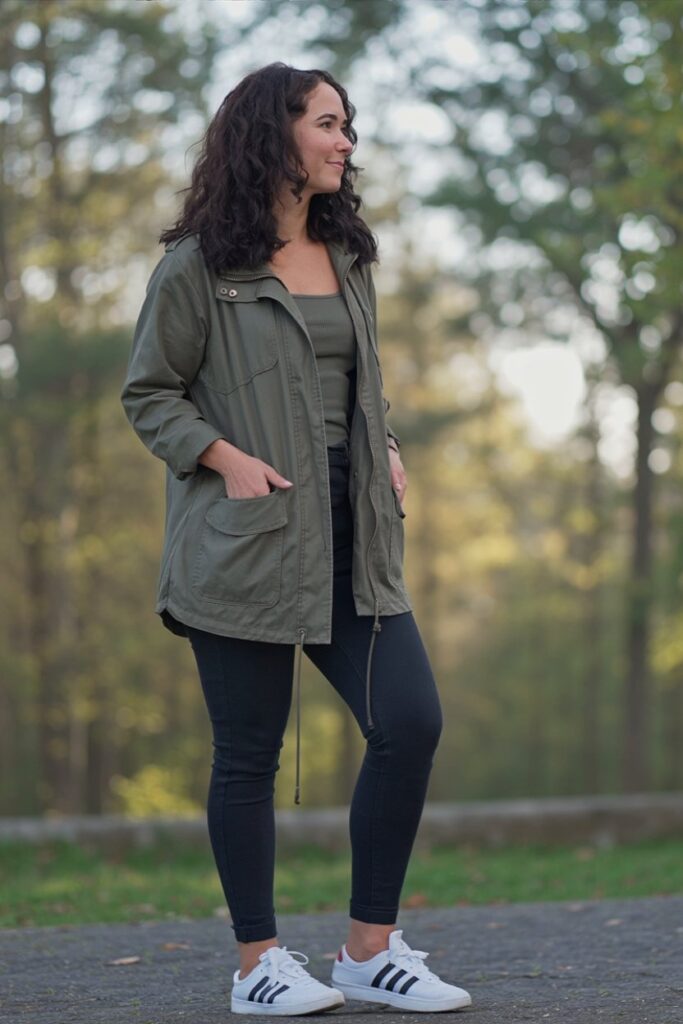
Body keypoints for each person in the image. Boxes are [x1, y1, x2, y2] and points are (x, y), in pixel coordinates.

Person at [121, 62, 471, 1016]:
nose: (344, 141)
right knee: (249, 755)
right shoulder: (198, 265)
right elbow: (148, 393)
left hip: (352, 530)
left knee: (409, 722)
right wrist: (220, 456)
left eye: (345, 125)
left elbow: (360, 381)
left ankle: (368, 949)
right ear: (272, 135)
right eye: (327, 123)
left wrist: (385, 439)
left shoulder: (347, 252)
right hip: (245, 537)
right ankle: (258, 965)